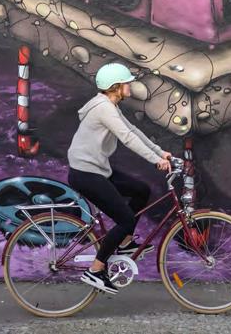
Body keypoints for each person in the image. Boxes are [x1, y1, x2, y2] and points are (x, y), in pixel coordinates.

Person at [67, 62, 171, 295]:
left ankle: (124, 242)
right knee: (125, 219)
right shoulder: (104, 109)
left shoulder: (110, 106)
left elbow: (133, 131)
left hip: (97, 168)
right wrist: (155, 160)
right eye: (127, 83)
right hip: (86, 173)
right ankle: (96, 269)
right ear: (116, 87)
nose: (130, 86)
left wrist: (159, 152)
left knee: (141, 190)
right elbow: (127, 138)